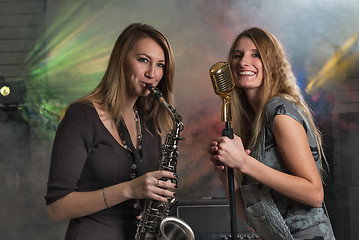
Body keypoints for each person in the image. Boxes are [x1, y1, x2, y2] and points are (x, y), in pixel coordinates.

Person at [45, 23, 178, 240]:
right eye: (143, 60)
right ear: (121, 60)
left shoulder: (150, 123)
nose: (152, 73)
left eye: (160, 65)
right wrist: (129, 190)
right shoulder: (81, 116)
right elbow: (56, 208)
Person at [208, 27, 335, 240]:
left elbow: (314, 194)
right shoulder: (253, 122)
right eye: (237, 56)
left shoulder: (279, 111)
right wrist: (224, 173)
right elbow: (252, 219)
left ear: (272, 64)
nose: (243, 62)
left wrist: (244, 162)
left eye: (255, 54)